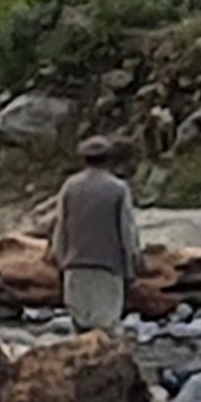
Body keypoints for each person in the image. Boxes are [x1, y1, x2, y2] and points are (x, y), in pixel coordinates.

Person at [53, 138, 138, 334]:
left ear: (84, 159)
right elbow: (127, 231)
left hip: (75, 267)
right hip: (107, 269)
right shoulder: (118, 189)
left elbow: (61, 226)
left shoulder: (70, 187)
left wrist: (60, 260)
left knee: (80, 332)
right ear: (109, 159)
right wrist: (131, 266)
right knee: (106, 330)